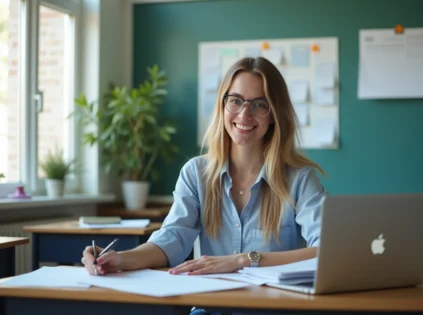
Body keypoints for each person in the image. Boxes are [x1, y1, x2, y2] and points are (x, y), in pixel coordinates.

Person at [81, 57, 326, 314]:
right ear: (222, 105)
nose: (244, 114)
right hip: (210, 309)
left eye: (259, 105)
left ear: (274, 114)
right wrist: (120, 259)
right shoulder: (195, 173)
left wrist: (245, 260)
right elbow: (171, 240)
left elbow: (325, 252)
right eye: (236, 100)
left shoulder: (300, 180)